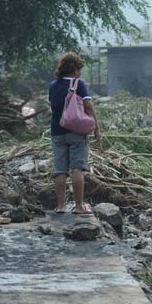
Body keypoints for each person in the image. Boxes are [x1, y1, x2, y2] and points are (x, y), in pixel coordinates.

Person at [49, 52, 101, 214]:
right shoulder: (79, 84)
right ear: (74, 69)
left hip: (57, 131)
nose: (80, 72)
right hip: (76, 133)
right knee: (77, 169)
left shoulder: (53, 85)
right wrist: (97, 128)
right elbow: (88, 106)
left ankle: (61, 206)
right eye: (79, 69)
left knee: (60, 170)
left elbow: (55, 106)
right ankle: (79, 206)